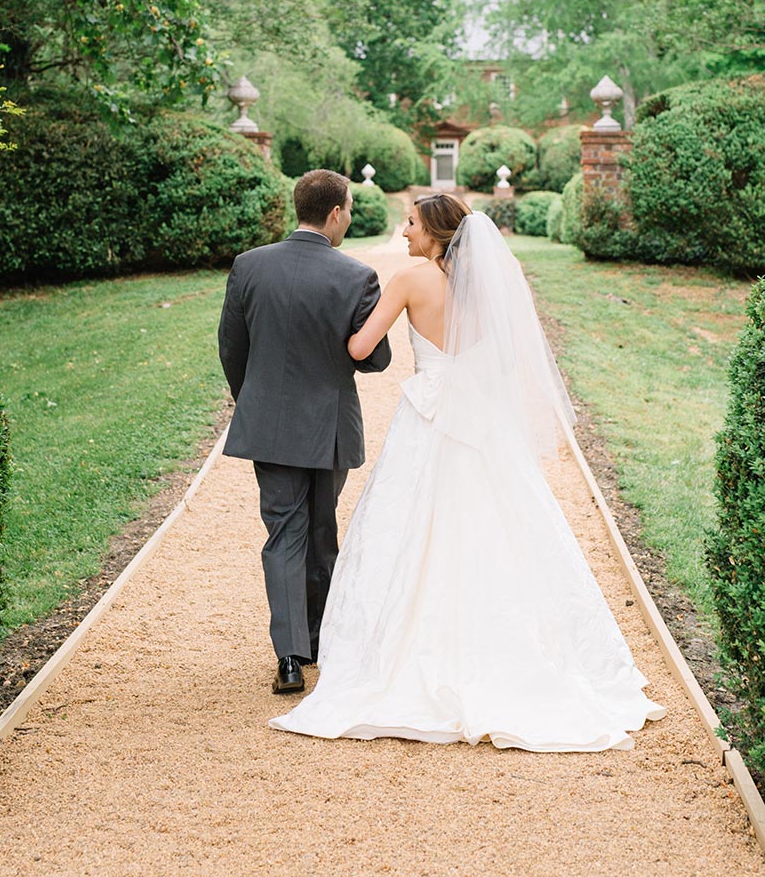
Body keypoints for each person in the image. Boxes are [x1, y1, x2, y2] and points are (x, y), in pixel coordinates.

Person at [271, 193, 665, 751]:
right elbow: (504, 362)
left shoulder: (411, 280)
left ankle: (409, 653)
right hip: (480, 422)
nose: (404, 232)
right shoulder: (487, 289)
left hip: (427, 420)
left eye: (410, 223)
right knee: (497, 525)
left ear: (434, 231)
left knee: (411, 527)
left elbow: (361, 345)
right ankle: (512, 650)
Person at [218, 169, 392, 696]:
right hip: (329, 428)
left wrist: (256, 399)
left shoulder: (248, 266)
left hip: (267, 424)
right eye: (350, 211)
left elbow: (232, 348)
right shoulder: (357, 277)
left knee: (283, 535)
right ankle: (320, 639)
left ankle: (290, 658)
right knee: (322, 531)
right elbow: (377, 360)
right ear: (335, 212)